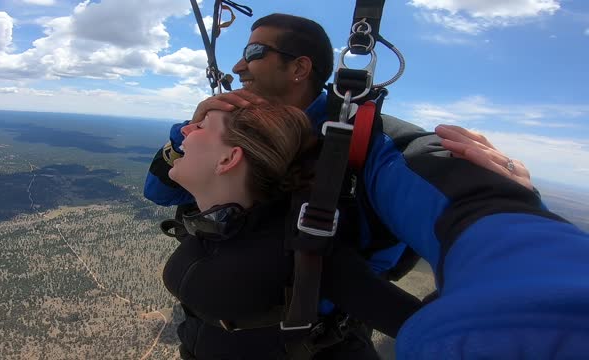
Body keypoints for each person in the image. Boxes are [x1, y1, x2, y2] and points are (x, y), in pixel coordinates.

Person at [146, 12, 558, 359]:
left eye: (254, 53)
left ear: (299, 68)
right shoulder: (235, 129)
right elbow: (161, 192)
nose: (238, 67)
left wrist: (510, 205)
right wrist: (186, 134)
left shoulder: (369, 145)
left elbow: (475, 225)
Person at [161, 104, 421, 359]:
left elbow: (422, 325)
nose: (185, 129)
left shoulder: (303, 248)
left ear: (228, 159)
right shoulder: (212, 222)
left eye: (201, 126)